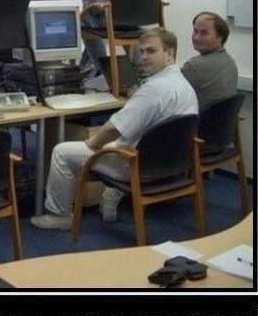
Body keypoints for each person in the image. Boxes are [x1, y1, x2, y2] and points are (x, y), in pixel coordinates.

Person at [31, 28, 198, 230]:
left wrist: (91, 144)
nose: (144, 57)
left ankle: (59, 216)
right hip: (170, 164)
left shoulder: (154, 89)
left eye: (151, 51)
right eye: (142, 51)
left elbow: (113, 129)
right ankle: (111, 196)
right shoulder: (184, 85)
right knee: (118, 142)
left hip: (136, 165)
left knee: (62, 152)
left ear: (170, 53)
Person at [181, 11, 238, 112]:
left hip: (196, 120)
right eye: (195, 31)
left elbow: (168, 95)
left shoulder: (194, 66)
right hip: (221, 121)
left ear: (220, 37)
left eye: (204, 33)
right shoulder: (230, 62)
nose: (196, 37)